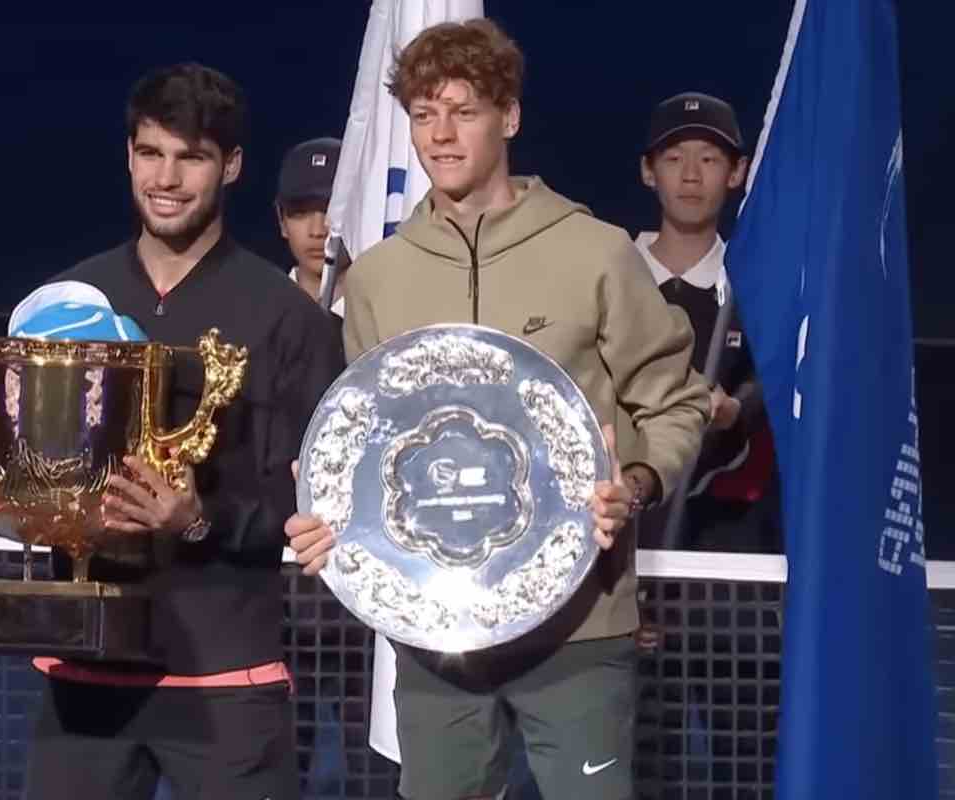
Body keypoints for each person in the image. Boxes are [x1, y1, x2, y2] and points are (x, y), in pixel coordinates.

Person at [285, 19, 710, 800]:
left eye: (463, 110)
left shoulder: (595, 251)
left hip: (581, 630)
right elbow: (373, 448)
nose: (440, 135)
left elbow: (675, 401)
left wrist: (640, 481)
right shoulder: (377, 279)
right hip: (437, 647)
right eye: (422, 114)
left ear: (508, 116)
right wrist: (329, 513)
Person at [0, 63, 343, 800]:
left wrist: (196, 520)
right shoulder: (66, 303)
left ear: (232, 166)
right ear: (128, 155)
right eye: (151, 153)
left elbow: (307, 513)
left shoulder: (292, 323)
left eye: (191, 158)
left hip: (227, 681)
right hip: (83, 682)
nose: (167, 177)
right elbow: (37, 481)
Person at [635, 92, 778, 553]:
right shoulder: (610, 273)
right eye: (674, 158)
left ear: (736, 172)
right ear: (648, 171)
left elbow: (780, 378)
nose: (691, 175)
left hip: (722, 538)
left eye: (710, 159)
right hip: (617, 526)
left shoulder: (755, 287)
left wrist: (737, 408)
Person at [276, 136, 346, 315]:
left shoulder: (386, 317)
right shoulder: (255, 311)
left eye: (331, 212)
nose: (317, 231)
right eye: (301, 213)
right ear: (281, 220)